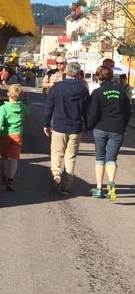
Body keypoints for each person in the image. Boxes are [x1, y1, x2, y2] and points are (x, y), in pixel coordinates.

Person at [43, 61, 89, 194]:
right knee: (71, 157)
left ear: (66, 72)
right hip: (76, 128)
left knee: (57, 153)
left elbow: (49, 107)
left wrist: (46, 123)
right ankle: (66, 187)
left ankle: (56, 174)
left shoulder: (57, 88)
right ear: (79, 74)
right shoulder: (83, 90)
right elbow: (86, 110)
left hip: (59, 126)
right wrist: (87, 125)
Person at [87, 65, 132, 200]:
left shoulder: (97, 92)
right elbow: (128, 112)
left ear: (98, 77)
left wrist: (89, 126)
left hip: (100, 128)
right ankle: (111, 182)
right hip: (117, 128)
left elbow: (93, 113)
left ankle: (99, 189)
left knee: (100, 158)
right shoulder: (121, 92)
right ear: (112, 76)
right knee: (111, 159)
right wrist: (123, 126)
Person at [0, 84, 29, 192]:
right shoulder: (23, 108)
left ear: (8, 94)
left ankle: (3, 175)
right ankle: (10, 179)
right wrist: (26, 101)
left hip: (5, 134)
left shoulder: (3, 108)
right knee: (14, 158)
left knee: (4, 157)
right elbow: (27, 111)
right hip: (17, 134)